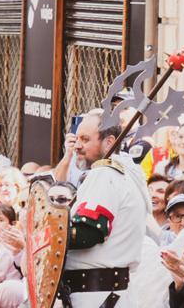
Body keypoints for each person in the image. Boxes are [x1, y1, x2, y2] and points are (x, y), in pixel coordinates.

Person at [61, 109, 149, 307]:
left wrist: (45, 232)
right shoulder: (125, 175)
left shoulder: (105, 174)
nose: (78, 146)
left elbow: (89, 232)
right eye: (77, 139)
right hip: (106, 294)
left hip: (94, 296)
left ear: (109, 142)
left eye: (85, 139)